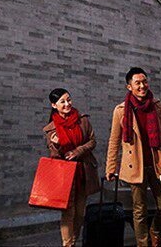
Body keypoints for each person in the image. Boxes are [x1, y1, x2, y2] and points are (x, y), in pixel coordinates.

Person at [105, 67, 161, 247]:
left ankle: (156, 230)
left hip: (157, 163)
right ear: (129, 87)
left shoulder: (157, 106)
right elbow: (114, 141)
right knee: (139, 210)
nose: (142, 86)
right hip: (135, 166)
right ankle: (142, 244)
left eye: (144, 82)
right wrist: (111, 167)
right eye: (138, 83)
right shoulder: (121, 111)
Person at [43, 88, 101, 247]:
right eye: (62, 102)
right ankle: (68, 244)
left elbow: (92, 141)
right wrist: (56, 146)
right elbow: (54, 157)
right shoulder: (51, 129)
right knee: (69, 212)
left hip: (83, 172)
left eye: (68, 100)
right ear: (54, 105)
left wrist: (78, 151)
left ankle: (73, 241)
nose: (67, 104)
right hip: (65, 175)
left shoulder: (83, 120)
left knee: (80, 213)